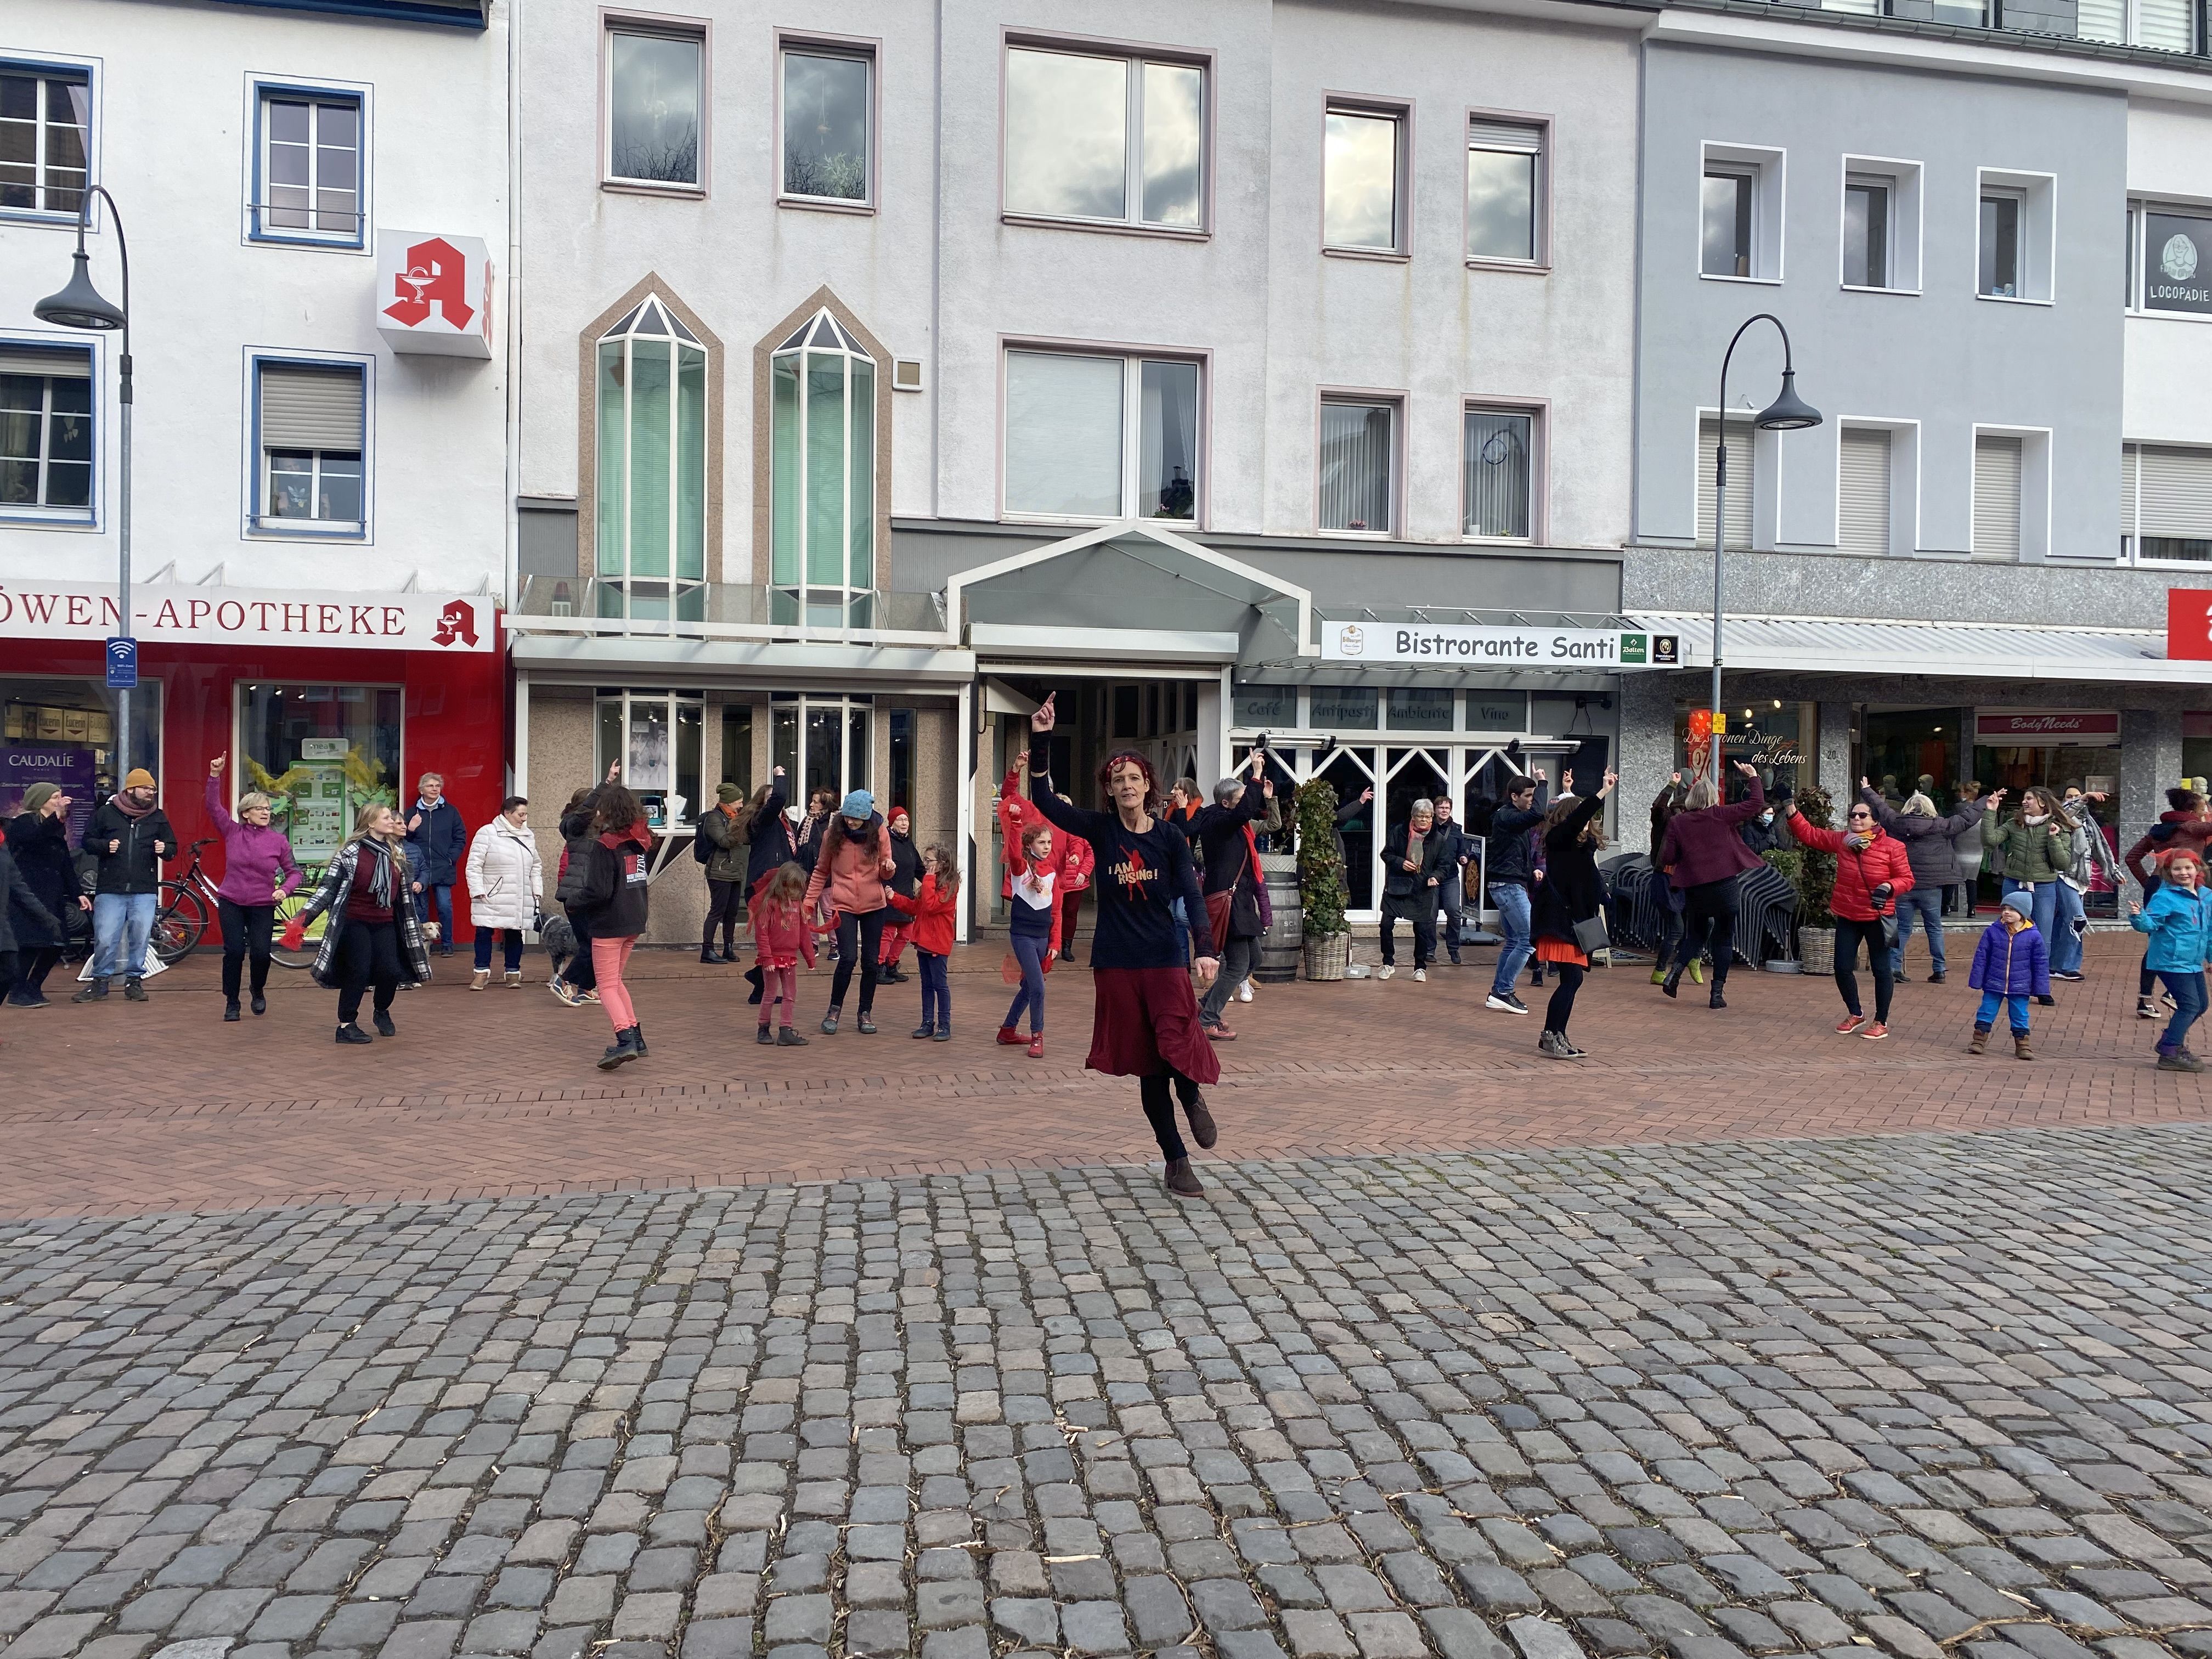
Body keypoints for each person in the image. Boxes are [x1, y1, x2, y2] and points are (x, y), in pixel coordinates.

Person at [1025, 693, 1221, 1198]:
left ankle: (1193, 1095)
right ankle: (1176, 1160)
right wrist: (1042, 738)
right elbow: (1044, 803)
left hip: (1163, 959)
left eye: (1134, 778)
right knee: (1149, 1065)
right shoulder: (1101, 829)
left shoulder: (1170, 839)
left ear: (1148, 787)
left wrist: (1204, 948)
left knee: (1179, 1043)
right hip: (1115, 964)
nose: (1126, 786)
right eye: (1118, 781)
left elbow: (1193, 896)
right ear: (1109, 792)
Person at [284, 803, 437, 1043]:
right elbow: (327, 890)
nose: (392, 821)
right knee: (359, 971)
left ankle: (381, 1011)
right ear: (371, 823)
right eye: (386, 817)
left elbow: (402, 892)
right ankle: (346, 1025)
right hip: (354, 922)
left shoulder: (397, 852)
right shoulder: (349, 853)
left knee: (390, 970)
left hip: (386, 921)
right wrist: (300, 921)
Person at [1786, 793, 1913, 1039]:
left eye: (1862, 815)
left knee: (1881, 970)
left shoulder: (1893, 847)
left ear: (1875, 820)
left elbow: (1907, 879)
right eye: (1853, 815)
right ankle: (1856, 1013)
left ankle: (1881, 1022)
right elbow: (1810, 835)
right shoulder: (1844, 841)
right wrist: (1790, 808)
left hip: (1877, 916)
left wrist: (1888, 887)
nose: (1856, 818)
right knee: (1842, 967)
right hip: (1848, 914)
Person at [1654, 762, 1767, 1010]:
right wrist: (1753, 777)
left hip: (1695, 887)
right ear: (1714, 798)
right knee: (1724, 938)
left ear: (1692, 798)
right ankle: (1716, 994)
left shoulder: (1679, 822)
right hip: (1725, 885)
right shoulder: (1722, 815)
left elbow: (1669, 857)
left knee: (1695, 933)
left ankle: (1674, 975)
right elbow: (1756, 804)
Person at [205, 757, 304, 1020]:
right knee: (235, 952)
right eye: (260, 808)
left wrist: (285, 890)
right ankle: (232, 1001)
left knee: (261, 953)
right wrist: (215, 775)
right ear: (246, 812)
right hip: (232, 902)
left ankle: (257, 989)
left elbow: (295, 872)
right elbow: (214, 807)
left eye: (268, 809)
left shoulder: (278, 841)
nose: (265, 812)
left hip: (262, 904)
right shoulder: (232, 832)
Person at [565, 782, 654, 1069]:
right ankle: (636, 1038)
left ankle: (625, 1038)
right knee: (615, 981)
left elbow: (598, 891)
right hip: (634, 918)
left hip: (609, 922)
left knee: (604, 986)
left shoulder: (606, 845)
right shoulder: (640, 841)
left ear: (607, 811)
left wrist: (574, 900)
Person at [1530, 771, 1618, 1059]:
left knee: (1573, 980)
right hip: (1561, 921)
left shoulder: (1578, 846)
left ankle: (1557, 1035)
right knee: (1571, 980)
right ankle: (1551, 1035)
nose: (1589, 824)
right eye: (1583, 818)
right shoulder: (1560, 838)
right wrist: (1602, 793)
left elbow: (1589, 878)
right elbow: (1578, 818)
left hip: (1574, 921)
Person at [1184, 750, 1272, 1038]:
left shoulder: (1228, 820)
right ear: (1225, 803)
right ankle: (1209, 1019)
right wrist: (1256, 774)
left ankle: (1205, 1006)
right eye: (1241, 796)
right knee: (1237, 966)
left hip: (1240, 901)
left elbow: (1254, 813)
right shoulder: (1219, 822)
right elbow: (1245, 811)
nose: (1246, 800)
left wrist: (1265, 795)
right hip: (1229, 901)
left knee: (1254, 959)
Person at [73, 768, 175, 1005]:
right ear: (130, 789)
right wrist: (105, 846)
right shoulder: (106, 813)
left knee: (140, 938)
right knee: (106, 938)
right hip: (111, 888)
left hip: (144, 889)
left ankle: (134, 983)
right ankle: (100, 983)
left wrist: (165, 850)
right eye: (146, 788)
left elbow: (172, 847)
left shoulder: (157, 816)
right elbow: (87, 842)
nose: (151, 793)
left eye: (153, 789)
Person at [1859, 781, 1977, 985]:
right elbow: (1967, 819)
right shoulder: (1942, 825)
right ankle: (1939, 969)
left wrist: (1868, 790)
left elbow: (1882, 808)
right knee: (1934, 927)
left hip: (1903, 884)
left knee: (1903, 928)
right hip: (1932, 886)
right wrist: (1987, 802)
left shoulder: (1896, 823)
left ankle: (1894, 967)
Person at [804, 789, 897, 1035]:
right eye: (847, 817)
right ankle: (834, 1010)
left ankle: (864, 1013)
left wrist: (888, 869)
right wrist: (808, 902)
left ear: (866, 817)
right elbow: (821, 870)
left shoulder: (879, 832)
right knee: (847, 958)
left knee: (870, 962)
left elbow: (885, 870)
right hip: (843, 904)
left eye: (856, 818)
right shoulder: (832, 835)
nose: (851, 822)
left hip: (873, 905)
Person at [1981, 787, 2074, 1004]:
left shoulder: (2057, 826)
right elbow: (1990, 841)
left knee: (2042, 937)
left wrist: (2053, 838)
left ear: (2043, 803)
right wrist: (1991, 812)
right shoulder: (2015, 823)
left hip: (2043, 887)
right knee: (2008, 933)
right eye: (2024, 798)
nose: (2024, 802)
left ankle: (2041, 988)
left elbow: (2063, 863)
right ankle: (2007, 983)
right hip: (2014, 883)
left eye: (2029, 799)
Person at [2125, 788, 2212, 1020]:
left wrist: (2149, 883)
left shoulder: (2158, 830)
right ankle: (2173, 992)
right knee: (2191, 932)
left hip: (2158, 884)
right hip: (2186, 888)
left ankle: (2146, 998)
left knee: (2156, 942)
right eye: (2204, 807)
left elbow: (2131, 858)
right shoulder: (2192, 827)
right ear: (2193, 810)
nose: (2206, 811)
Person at [2130, 847, 2212, 1073]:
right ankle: (2170, 1050)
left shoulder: (2206, 896)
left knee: (2201, 1005)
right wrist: (2139, 918)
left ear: (2198, 869)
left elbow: (2210, 930)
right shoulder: (2165, 897)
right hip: (2170, 960)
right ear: (2169, 872)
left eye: (2188, 868)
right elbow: (2151, 925)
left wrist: (2211, 957)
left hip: (2192, 961)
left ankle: (2170, 1042)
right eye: (2177, 869)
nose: (2183, 873)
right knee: (2189, 1005)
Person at [6, 782, 86, 1008]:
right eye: (54, 797)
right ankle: (17, 991)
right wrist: (57, 818)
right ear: (40, 800)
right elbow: (33, 839)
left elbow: (65, 863)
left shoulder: (55, 828)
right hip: (28, 896)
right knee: (30, 944)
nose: (60, 801)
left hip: (52, 896)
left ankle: (34, 986)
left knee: (57, 943)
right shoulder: (23, 823)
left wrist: (77, 893)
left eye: (61, 796)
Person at [1480, 771, 1548, 1013]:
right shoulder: (1507, 816)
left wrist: (1530, 873)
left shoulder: (1512, 817)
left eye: (1534, 795)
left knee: (1513, 942)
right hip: (1507, 886)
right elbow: (1538, 813)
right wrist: (1543, 783)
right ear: (1514, 796)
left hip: (1510, 883)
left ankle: (1498, 992)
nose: (1532, 799)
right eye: (1528, 795)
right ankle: (1503, 991)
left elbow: (1517, 851)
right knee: (1528, 939)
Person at [996, 817, 1060, 1057]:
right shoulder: (1020, 868)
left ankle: (1008, 1030)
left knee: (1029, 986)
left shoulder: (1052, 873)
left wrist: (1055, 942)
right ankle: (1037, 1037)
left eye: (1049, 842)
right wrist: (1014, 825)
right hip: (1023, 936)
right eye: (1041, 842)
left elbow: (1057, 911)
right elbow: (1013, 853)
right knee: (1038, 987)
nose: (1047, 846)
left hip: (1043, 938)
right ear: (1030, 844)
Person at [464, 796, 541, 991]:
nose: (524, 819)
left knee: (515, 933)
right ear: (507, 813)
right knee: (484, 932)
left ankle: (513, 974)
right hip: (490, 894)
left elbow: (536, 865)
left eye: (525, 814)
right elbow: (474, 865)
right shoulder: (487, 833)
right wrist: (478, 890)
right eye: (521, 814)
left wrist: (536, 890)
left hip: (519, 895)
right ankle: (481, 973)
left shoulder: (528, 835)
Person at [887, 843, 958, 1041]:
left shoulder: (949, 886)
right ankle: (927, 1022)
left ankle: (945, 1025)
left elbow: (931, 905)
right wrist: (895, 898)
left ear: (942, 863)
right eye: (925, 860)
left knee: (940, 985)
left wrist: (928, 879)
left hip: (938, 943)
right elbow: (916, 908)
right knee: (927, 984)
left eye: (929, 861)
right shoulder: (930, 883)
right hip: (924, 943)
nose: (925, 864)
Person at [1967, 891, 2047, 1061]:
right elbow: (1981, 956)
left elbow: (2040, 964)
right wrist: (1976, 980)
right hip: (1993, 981)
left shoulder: (2034, 936)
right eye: (2005, 908)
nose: (2007, 912)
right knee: (1986, 1011)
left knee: (2020, 1014)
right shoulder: (1992, 932)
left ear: (2023, 914)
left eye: (2012, 909)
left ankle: (2023, 1044)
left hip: (2021, 985)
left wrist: (2041, 989)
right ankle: (1979, 1040)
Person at [737, 766, 794, 1004]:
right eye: (769, 799)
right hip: (763, 885)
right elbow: (779, 798)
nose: (775, 801)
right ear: (763, 803)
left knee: (776, 936)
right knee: (770, 936)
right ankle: (760, 982)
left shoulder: (783, 823)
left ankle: (759, 985)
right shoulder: (763, 819)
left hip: (777, 884)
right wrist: (780, 776)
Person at [1377, 798, 1450, 981]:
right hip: (1397, 884)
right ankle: (1388, 963)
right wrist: (1401, 863)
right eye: (1420, 816)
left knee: (1422, 929)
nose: (1424, 820)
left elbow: (1444, 865)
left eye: (1428, 817)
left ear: (1432, 818)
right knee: (1386, 924)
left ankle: (1420, 967)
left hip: (1422, 888)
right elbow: (1386, 854)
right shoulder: (1399, 832)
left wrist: (1435, 877)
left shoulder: (1438, 839)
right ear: (1413, 816)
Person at [2051, 788, 2118, 983]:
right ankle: (2068, 967)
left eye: (2076, 796)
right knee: (2077, 920)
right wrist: (2083, 797)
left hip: (2081, 878)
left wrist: (2113, 871)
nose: (2074, 800)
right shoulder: (2059, 816)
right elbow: (2064, 813)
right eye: (2069, 797)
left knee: (2064, 921)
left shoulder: (2089, 822)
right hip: (2063, 875)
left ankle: (2053, 965)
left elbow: (2099, 848)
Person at [749, 860, 816, 1046]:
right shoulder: (769, 904)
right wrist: (767, 957)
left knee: (790, 994)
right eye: (793, 887)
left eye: (798, 888)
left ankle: (786, 1029)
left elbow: (804, 934)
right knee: (770, 993)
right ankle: (763, 1027)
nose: (796, 892)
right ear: (783, 884)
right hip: (772, 957)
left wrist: (810, 959)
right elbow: (761, 933)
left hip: (790, 957)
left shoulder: (797, 904)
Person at [548, 782, 603, 1009]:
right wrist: (606, 784)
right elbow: (582, 817)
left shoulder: (593, 830)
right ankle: (563, 982)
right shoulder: (576, 827)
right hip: (577, 895)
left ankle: (586, 987)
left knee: (592, 944)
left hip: (587, 894)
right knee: (591, 945)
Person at [0, 820, 59, 1028]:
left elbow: (16, 884)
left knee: (9, 970)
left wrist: (45, 917)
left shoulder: (2, 842)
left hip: (1, 923)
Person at [403, 771, 466, 957]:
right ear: (421, 789)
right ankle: (422, 947)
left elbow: (460, 837)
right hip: (419, 868)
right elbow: (402, 839)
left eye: (437, 786)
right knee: (419, 908)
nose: (434, 789)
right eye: (430, 786)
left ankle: (447, 944)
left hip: (443, 866)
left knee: (444, 906)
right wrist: (411, 829)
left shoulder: (450, 811)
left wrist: (451, 858)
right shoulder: (411, 813)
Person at [696, 782, 752, 964]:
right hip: (719, 872)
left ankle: (728, 947)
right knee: (717, 912)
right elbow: (724, 841)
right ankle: (708, 950)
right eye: (738, 802)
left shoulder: (733, 817)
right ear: (728, 802)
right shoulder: (715, 818)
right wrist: (740, 826)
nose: (741, 806)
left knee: (732, 913)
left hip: (735, 871)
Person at [877, 806, 924, 984]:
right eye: (900, 820)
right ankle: (878, 968)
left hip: (905, 895)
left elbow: (919, 868)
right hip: (888, 893)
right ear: (892, 822)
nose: (904, 823)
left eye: (906, 820)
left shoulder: (908, 843)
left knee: (906, 933)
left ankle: (891, 964)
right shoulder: (887, 841)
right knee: (888, 933)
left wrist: (934, 882)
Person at [1430, 794, 1471, 967]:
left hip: (1450, 877)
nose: (1444, 811)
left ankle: (1453, 949)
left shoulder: (1456, 830)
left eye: (1447, 808)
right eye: (1441, 807)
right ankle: (1429, 950)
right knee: (1429, 915)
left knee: (1454, 912)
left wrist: (1463, 857)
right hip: (1431, 877)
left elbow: (1462, 850)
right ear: (1435, 810)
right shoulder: (1428, 828)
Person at [1056, 804, 1095, 966]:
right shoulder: (1051, 829)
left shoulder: (1080, 831)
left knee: (1071, 914)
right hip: (1056, 880)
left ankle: (1066, 947)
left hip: (1076, 881)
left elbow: (1090, 853)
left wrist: (1084, 872)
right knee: (1053, 913)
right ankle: (1051, 945)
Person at [1949, 781, 1986, 915]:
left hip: (1960, 846)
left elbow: (1951, 826)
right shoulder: (1984, 810)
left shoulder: (1959, 807)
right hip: (1977, 849)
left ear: (1965, 793)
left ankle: (1946, 905)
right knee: (1972, 880)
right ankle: (1972, 909)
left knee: (1952, 878)